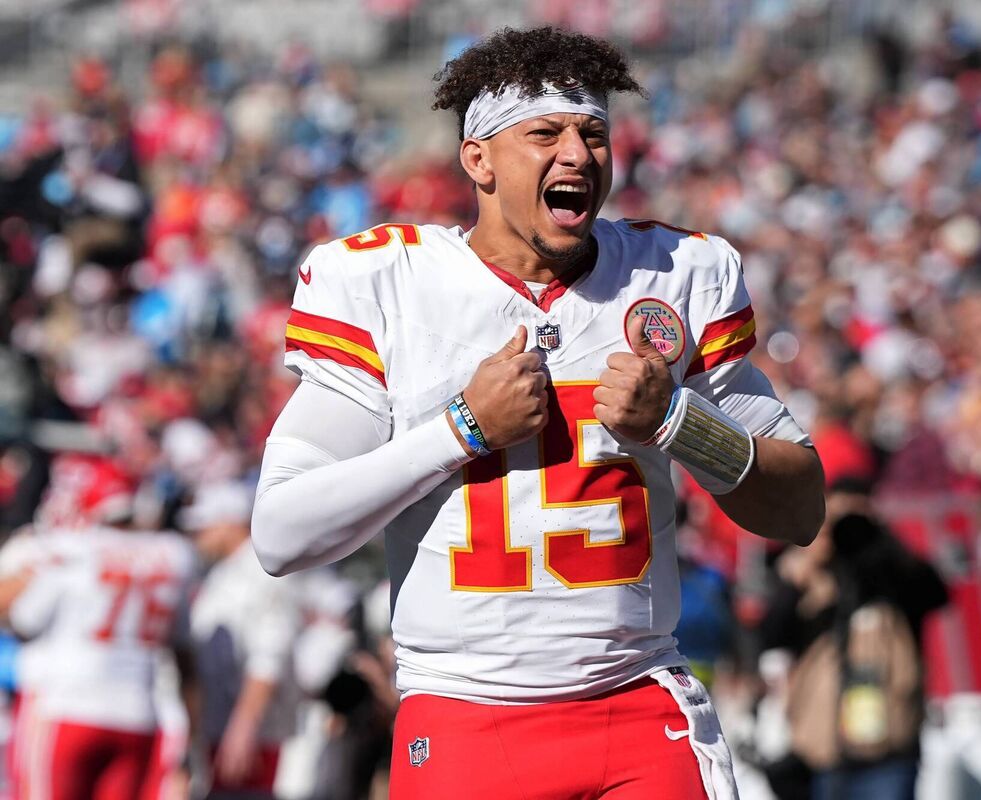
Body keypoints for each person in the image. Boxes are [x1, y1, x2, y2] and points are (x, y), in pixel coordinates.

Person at [250, 26, 825, 799]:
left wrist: (682, 422)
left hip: (636, 705)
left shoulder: (675, 274)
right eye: (545, 134)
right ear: (478, 159)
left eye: (593, 134)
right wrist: (460, 430)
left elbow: (799, 506)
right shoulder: (389, 284)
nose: (579, 156)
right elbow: (283, 532)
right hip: (465, 713)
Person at [0, 467, 195, 800]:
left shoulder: (73, 549)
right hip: (139, 714)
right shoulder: (174, 554)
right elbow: (184, 650)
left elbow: (22, 620)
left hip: (67, 705)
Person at [761, 479, 947, 800]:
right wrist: (812, 551)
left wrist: (879, 536)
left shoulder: (891, 574)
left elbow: (935, 593)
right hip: (825, 751)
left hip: (889, 751)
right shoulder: (815, 581)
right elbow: (771, 634)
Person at [185, 481, 301, 800]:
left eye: (204, 525)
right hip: (218, 726)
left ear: (230, 521)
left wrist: (244, 727)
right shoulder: (222, 572)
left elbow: (269, 658)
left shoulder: (264, 571)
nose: (197, 534)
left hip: (252, 735)